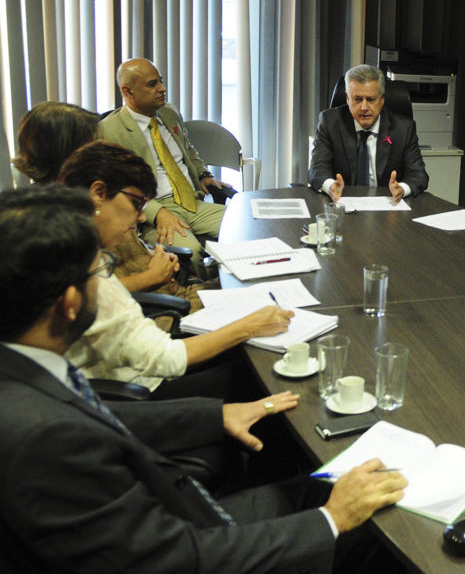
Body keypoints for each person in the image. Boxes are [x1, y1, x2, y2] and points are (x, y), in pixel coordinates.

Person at [0, 186, 408, 571]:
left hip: (171, 512)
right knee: (381, 526)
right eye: (101, 272)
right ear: (69, 303)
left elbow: (103, 413)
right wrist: (331, 521)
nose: (107, 282)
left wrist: (218, 414)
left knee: (331, 480)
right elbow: (177, 561)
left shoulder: (24, 367)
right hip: (191, 543)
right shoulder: (42, 439)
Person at [57, 141, 292, 398]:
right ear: (98, 193)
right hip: (137, 390)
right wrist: (249, 326)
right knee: (262, 375)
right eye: (137, 203)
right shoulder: (79, 270)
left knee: (252, 354)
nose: (142, 218)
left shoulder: (82, 248)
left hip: (138, 366)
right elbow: (163, 359)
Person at [12, 101, 205, 316]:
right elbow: (85, 293)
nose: (101, 148)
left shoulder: (90, 192)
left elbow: (126, 253)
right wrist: (151, 276)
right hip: (152, 311)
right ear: (67, 153)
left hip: (168, 290)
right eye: (93, 143)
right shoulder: (54, 220)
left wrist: (156, 255)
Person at [98, 58, 229, 257]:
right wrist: (157, 213)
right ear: (128, 91)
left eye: (160, 81)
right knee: (190, 253)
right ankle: (203, 286)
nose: (162, 88)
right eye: (153, 84)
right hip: (155, 209)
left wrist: (203, 174)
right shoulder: (110, 130)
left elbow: (188, 149)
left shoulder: (169, 113)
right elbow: (118, 188)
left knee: (246, 229)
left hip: (193, 202)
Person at [308, 64, 429, 203]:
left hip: (386, 208)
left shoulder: (403, 128)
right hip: (343, 204)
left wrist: (401, 189)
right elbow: (317, 170)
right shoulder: (330, 122)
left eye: (370, 99)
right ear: (347, 98)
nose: (364, 107)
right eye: (357, 99)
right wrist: (331, 187)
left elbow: (419, 175)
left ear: (382, 99)